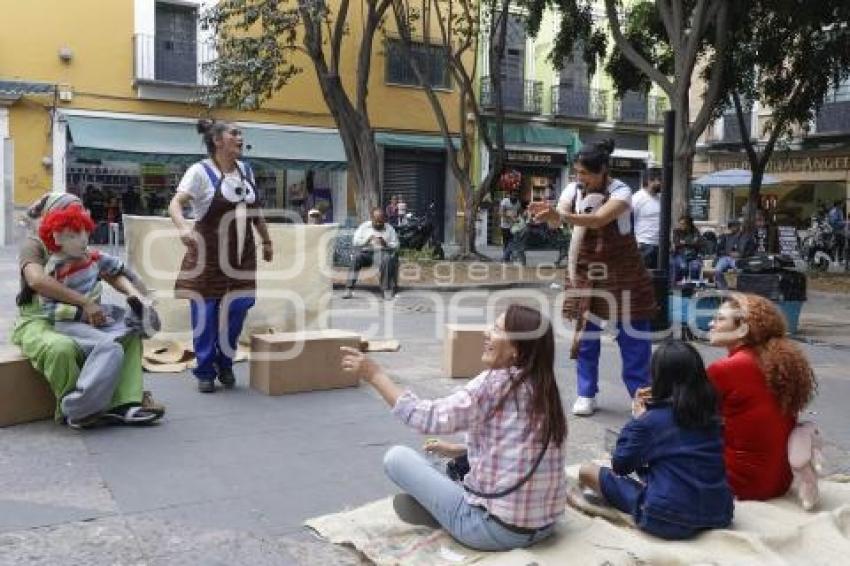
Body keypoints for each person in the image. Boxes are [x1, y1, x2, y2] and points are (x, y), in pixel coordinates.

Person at [340, 305, 567, 551]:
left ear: (517, 349)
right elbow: (517, 447)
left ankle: (444, 514)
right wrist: (460, 449)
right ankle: (442, 503)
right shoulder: (545, 388)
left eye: (498, 329)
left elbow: (426, 417)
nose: (487, 333)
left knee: (397, 458)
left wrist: (374, 375)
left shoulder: (494, 384)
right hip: (545, 525)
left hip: (493, 531)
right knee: (447, 465)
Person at [12, 192, 165, 428]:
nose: (80, 213)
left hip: (86, 317)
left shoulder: (77, 241)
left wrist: (135, 294)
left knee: (129, 334)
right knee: (60, 348)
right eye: (74, 209)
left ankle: (126, 403)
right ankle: (76, 409)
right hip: (40, 318)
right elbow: (37, 280)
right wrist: (84, 302)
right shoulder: (34, 244)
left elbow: (109, 270)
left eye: (81, 209)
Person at [531, 139, 657, 417]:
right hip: (587, 271)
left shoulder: (622, 191)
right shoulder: (573, 189)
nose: (580, 178)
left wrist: (561, 216)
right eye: (577, 172)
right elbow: (557, 219)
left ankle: (641, 397)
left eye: (585, 173)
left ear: (603, 171)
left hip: (624, 273)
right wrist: (547, 217)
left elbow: (599, 219)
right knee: (587, 336)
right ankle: (586, 393)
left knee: (634, 338)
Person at [577, 340, 733, 540]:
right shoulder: (710, 412)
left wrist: (638, 419)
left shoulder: (651, 421)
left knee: (587, 470)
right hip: (719, 512)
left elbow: (620, 465)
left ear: (658, 377)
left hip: (666, 518)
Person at [169, 119, 274, 394]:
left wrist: (266, 240)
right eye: (235, 133)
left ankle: (224, 361)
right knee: (206, 313)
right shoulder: (199, 171)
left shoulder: (246, 170)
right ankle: (205, 370)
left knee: (238, 309)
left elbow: (255, 211)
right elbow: (175, 204)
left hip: (241, 255)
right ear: (218, 140)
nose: (240, 137)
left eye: (241, 133)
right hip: (207, 255)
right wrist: (182, 228)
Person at [706, 293, 817, 500]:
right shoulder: (776, 362)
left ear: (743, 329)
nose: (711, 323)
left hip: (739, 484)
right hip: (780, 481)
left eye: (720, 319)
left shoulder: (725, 369)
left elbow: (687, 412)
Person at [342, 208, 399, 300]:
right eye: (376, 221)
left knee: (387, 259)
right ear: (372, 218)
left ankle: (386, 290)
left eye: (381, 222)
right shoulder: (364, 227)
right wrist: (367, 240)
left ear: (384, 220)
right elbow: (355, 242)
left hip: (382, 254)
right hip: (366, 254)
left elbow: (396, 245)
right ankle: (349, 289)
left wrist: (386, 243)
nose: (379, 224)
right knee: (356, 258)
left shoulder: (389, 229)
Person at [714, 219, 755, 290]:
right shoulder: (725, 237)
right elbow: (718, 251)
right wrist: (729, 253)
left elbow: (751, 251)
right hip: (726, 258)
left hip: (740, 259)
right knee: (718, 270)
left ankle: (740, 288)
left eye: (734, 225)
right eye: (730, 226)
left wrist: (741, 255)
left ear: (739, 226)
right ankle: (723, 288)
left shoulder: (747, 237)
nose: (732, 228)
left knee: (739, 270)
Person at [631, 174, 661, 268]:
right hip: (644, 244)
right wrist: (635, 242)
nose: (661, 183)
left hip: (659, 244)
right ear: (649, 181)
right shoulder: (637, 198)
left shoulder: (660, 198)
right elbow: (629, 221)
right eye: (659, 180)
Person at [671, 215, 704, 283]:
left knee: (695, 268)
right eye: (680, 224)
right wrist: (691, 242)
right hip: (680, 255)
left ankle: (693, 286)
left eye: (683, 224)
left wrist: (684, 242)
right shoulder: (676, 231)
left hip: (693, 256)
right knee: (683, 267)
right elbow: (677, 243)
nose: (681, 225)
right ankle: (678, 285)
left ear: (688, 224)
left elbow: (699, 243)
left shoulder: (695, 231)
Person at [499, 192, 521, 262]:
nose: (515, 197)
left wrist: (517, 219)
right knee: (506, 241)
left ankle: (507, 256)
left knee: (511, 241)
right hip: (505, 225)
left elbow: (518, 213)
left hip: (513, 226)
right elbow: (501, 212)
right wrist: (509, 218)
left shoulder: (518, 203)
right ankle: (506, 256)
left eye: (516, 195)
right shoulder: (505, 201)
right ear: (510, 195)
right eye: (513, 195)